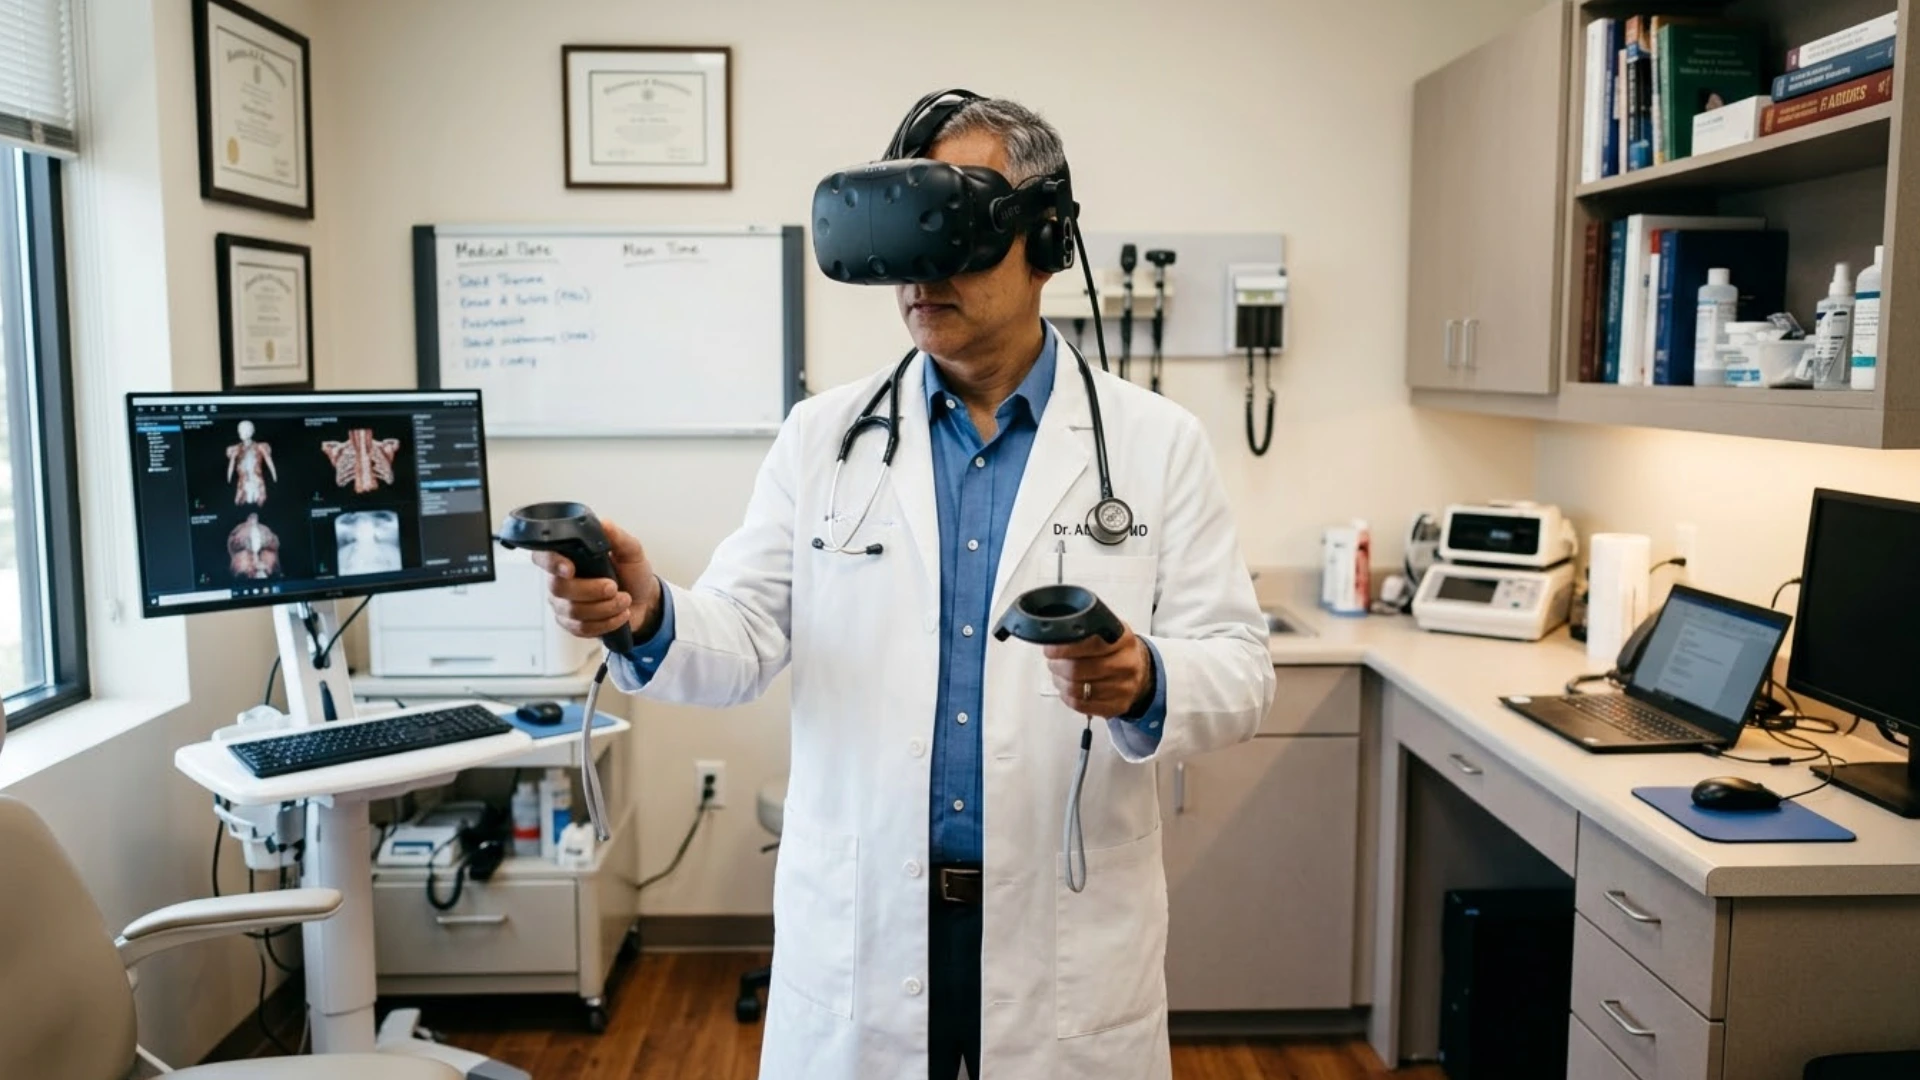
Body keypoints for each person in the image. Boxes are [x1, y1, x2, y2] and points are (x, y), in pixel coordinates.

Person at [535, 95, 1274, 1080]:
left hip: (1061, 930)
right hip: (867, 930)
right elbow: (742, 634)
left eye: (954, 226)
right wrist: (647, 610)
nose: (920, 269)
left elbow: (1239, 667)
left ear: (1047, 237)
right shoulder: (823, 439)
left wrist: (1142, 679)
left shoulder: (1155, 444)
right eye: (900, 229)